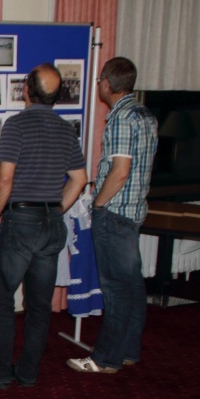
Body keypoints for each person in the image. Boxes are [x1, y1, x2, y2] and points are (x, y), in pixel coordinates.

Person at [0, 64, 88, 389]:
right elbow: (80, 179)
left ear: (26, 89)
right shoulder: (66, 129)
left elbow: (4, 177)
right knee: (39, 304)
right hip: (51, 224)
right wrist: (57, 208)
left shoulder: (17, 125)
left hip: (20, 221)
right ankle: (28, 371)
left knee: (1, 299)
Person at [68, 57, 158, 374]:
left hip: (115, 214)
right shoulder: (145, 115)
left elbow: (119, 172)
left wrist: (98, 205)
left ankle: (105, 359)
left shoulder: (121, 117)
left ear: (106, 83)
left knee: (115, 289)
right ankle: (128, 351)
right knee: (132, 286)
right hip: (133, 212)